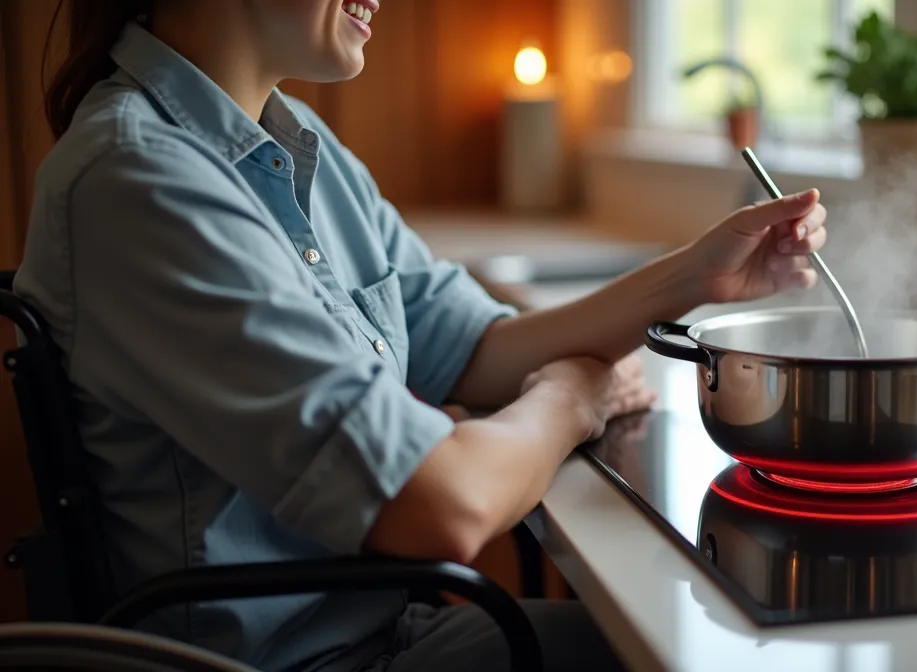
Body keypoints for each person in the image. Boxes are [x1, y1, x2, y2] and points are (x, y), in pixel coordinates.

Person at [17, 1, 829, 670]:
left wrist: (696, 276)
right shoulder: (140, 181)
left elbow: (474, 349)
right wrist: (569, 398)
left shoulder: (293, 144)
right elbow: (442, 506)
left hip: (371, 637)